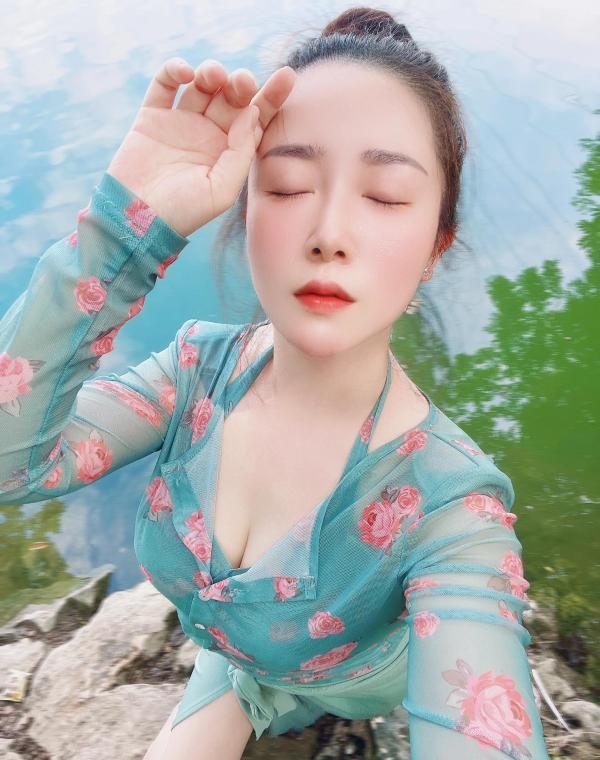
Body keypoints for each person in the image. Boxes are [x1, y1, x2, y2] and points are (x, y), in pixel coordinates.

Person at [0, 7, 551, 760]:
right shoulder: (194, 375)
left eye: (387, 196)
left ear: (435, 246)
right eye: (289, 186)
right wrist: (124, 232)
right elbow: (12, 463)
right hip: (237, 659)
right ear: (245, 210)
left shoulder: (450, 507)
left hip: (359, 678)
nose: (329, 234)